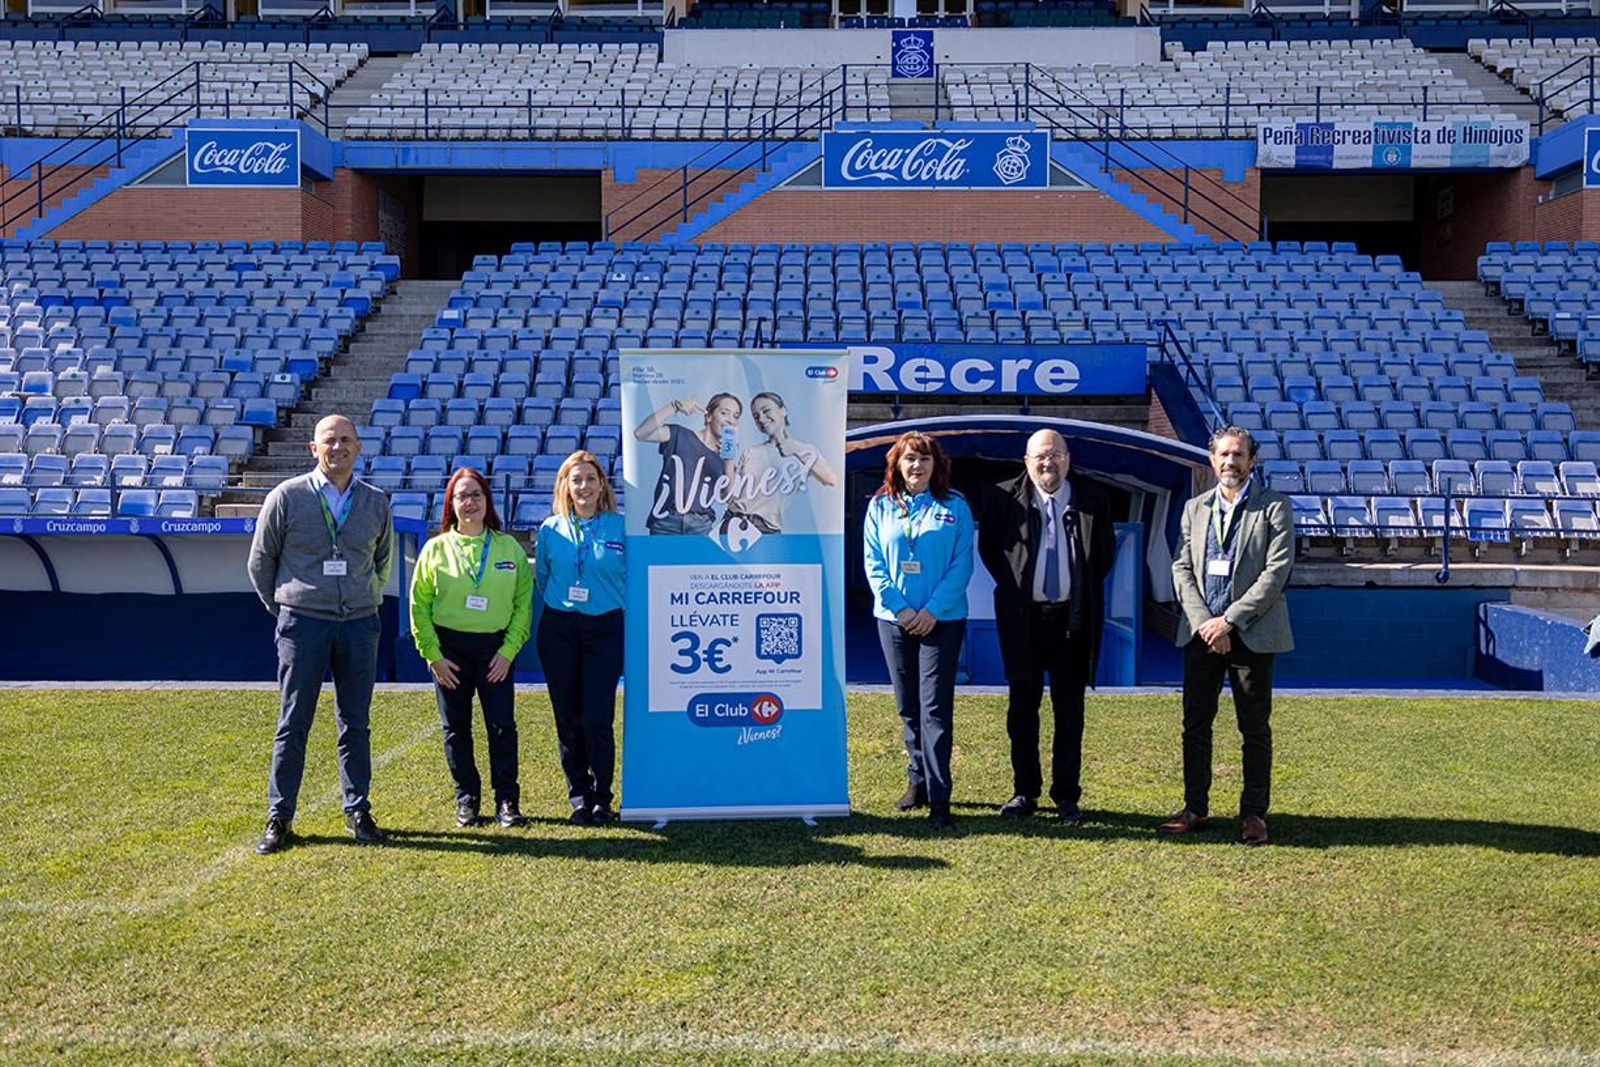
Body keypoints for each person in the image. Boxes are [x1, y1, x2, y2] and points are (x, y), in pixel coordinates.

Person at [247, 413, 393, 855]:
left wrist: (362, 596)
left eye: (346, 440)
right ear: (314, 448)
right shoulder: (286, 496)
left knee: (356, 722)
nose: (338, 447)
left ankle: (358, 810)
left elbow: (381, 562)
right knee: (294, 722)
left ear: (359, 448)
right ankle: (280, 816)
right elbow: (261, 561)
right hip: (303, 624)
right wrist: (287, 608)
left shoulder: (375, 502)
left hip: (359, 624)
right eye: (329, 440)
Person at [1162, 425, 1295, 847]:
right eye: (1223, 455)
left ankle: (1253, 814)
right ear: (1211, 460)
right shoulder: (1194, 508)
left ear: (1252, 460)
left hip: (1252, 634)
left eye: (1238, 455)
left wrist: (1230, 621)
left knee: (1253, 728)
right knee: (1195, 725)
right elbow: (1181, 567)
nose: (1230, 462)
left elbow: (1276, 572)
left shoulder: (1274, 507)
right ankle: (1195, 808)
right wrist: (1206, 622)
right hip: (1201, 634)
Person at [978, 429, 1114, 825]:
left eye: (1055, 454)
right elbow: (992, 552)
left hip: (1072, 621)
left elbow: (1102, 557)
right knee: (1023, 710)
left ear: (1068, 458)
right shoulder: (1003, 497)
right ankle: (1025, 791)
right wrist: (1020, 588)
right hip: (1024, 621)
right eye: (1039, 456)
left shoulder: (1093, 499)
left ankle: (1066, 795)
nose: (1047, 462)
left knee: (1069, 712)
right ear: (1026, 461)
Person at [409, 468, 533, 830]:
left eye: (476, 494)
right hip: (450, 652)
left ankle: (507, 800)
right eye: (462, 496)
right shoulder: (435, 549)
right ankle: (467, 799)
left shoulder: (508, 547)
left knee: (502, 727)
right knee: (456, 729)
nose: (470, 502)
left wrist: (508, 651)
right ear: (451, 503)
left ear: (487, 501)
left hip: (496, 651)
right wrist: (433, 656)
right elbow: (419, 607)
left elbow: (523, 604)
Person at [863, 431, 973, 829]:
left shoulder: (955, 506)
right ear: (896, 464)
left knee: (935, 709)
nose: (917, 466)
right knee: (908, 705)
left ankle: (940, 797)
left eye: (925, 459)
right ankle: (918, 779)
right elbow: (873, 563)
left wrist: (931, 611)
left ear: (936, 465)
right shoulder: (879, 506)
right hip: (894, 620)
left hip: (943, 621)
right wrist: (903, 610)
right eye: (910, 458)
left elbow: (962, 565)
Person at [535, 450, 626, 825]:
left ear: (602, 484)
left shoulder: (621, 527)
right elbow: (543, 577)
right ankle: (579, 797)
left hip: (605, 628)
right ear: (565, 486)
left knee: (596, 718)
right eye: (576, 480)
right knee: (568, 718)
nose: (584, 486)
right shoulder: (550, 529)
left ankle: (603, 797)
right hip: (559, 629)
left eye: (590, 478)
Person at [724, 391, 838, 535]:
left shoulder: (804, 450)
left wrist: (795, 449)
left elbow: (830, 479)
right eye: (756, 416)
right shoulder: (750, 452)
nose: (761, 419)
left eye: (766, 411)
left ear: (783, 410)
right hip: (732, 521)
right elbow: (729, 495)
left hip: (766, 529)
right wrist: (728, 459)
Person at [633, 392, 742, 535]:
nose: (731, 420)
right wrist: (674, 407)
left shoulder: (727, 459)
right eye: (724, 413)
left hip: (701, 526)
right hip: (665, 521)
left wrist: (729, 461)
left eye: (736, 416)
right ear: (709, 416)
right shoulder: (679, 434)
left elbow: (727, 497)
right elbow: (641, 433)